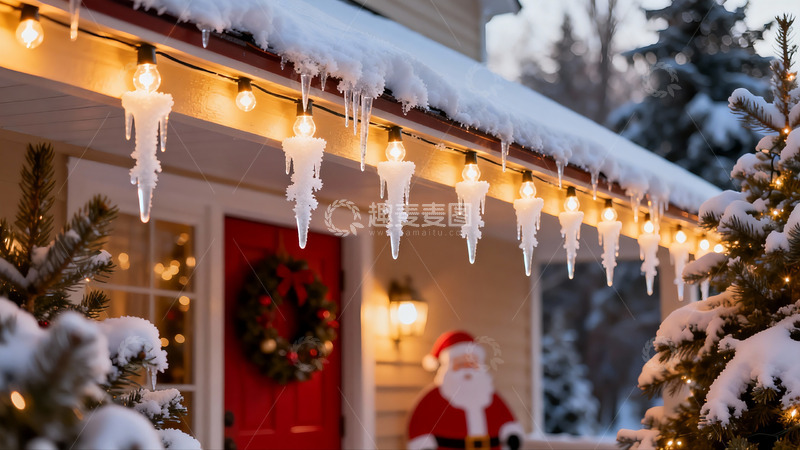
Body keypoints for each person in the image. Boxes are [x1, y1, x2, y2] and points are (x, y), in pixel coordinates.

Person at [408, 331, 524, 450]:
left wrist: (512, 435)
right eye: (461, 364)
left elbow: (507, 421)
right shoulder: (433, 399)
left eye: (472, 364)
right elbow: (419, 426)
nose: (468, 369)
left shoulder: (488, 395)